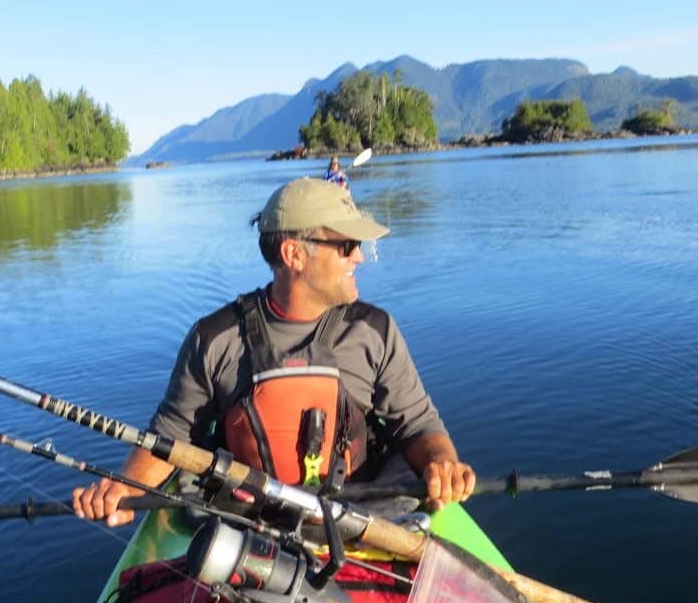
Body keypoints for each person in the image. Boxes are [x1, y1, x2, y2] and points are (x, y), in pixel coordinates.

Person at [73, 177, 475, 528]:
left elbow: (418, 426)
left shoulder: (374, 332)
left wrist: (441, 464)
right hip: (252, 522)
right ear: (293, 255)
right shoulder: (214, 340)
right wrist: (124, 488)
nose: (358, 255)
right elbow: (172, 436)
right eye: (347, 244)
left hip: (362, 516)